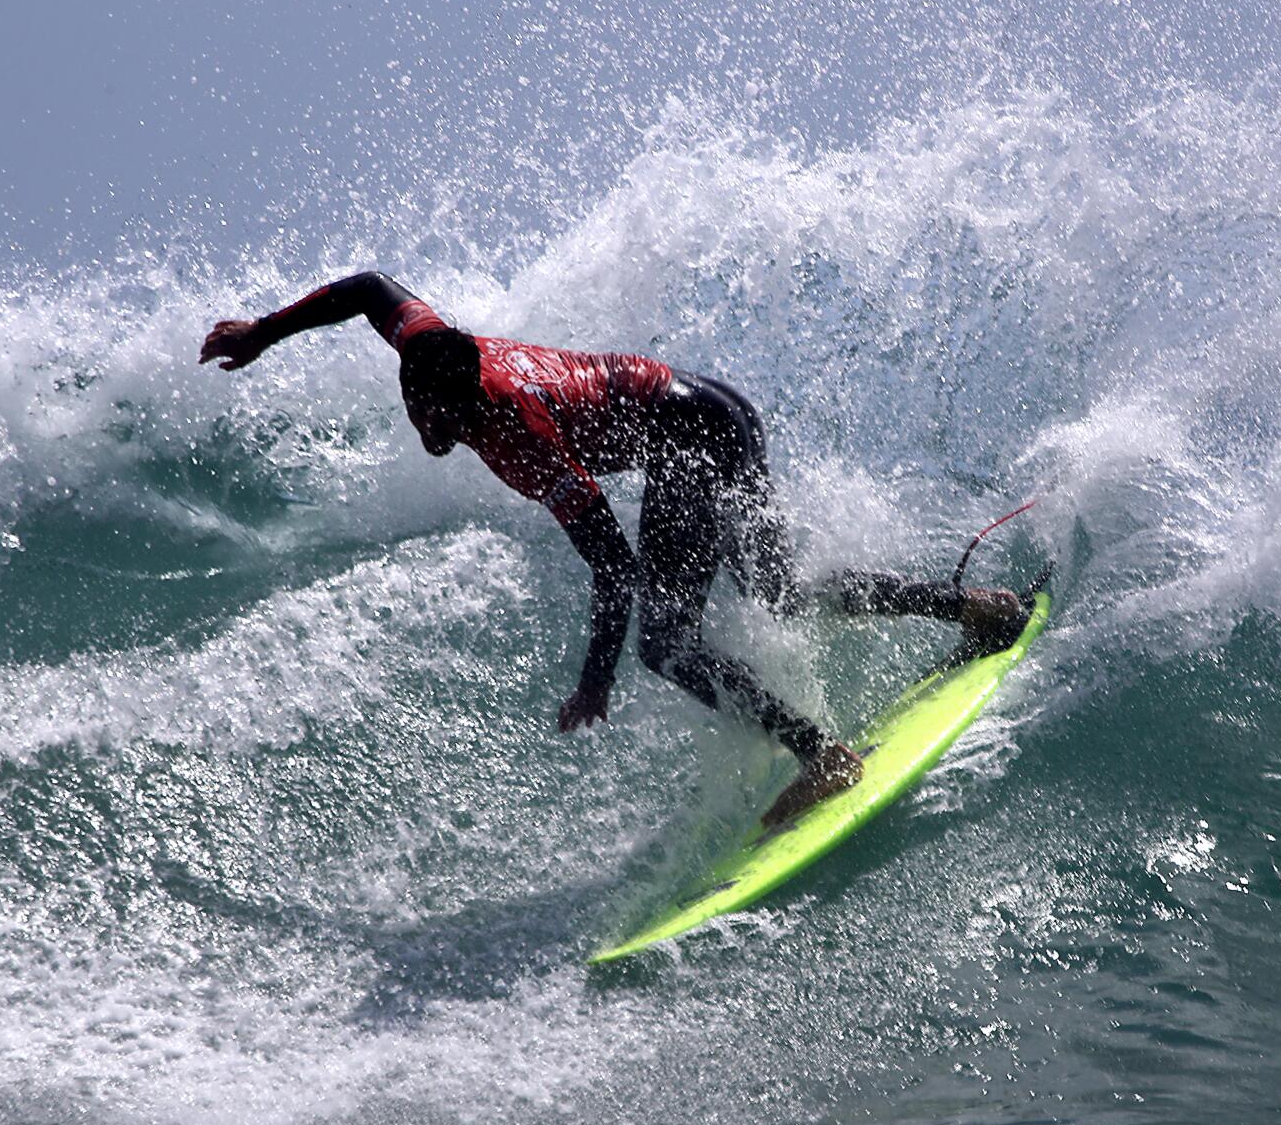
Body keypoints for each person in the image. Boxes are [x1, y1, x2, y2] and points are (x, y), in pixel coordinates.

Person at [199, 271, 1028, 825]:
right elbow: (367, 288)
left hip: (693, 436)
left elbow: (614, 564)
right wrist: (265, 334)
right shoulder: (427, 343)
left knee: (665, 644)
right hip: (716, 409)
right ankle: (977, 609)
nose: (433, 431)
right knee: (781, 592)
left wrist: (595, 682)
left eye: (447, 420)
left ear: (469, 404)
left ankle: (826, 758)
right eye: (423, 413)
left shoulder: (513, 426)